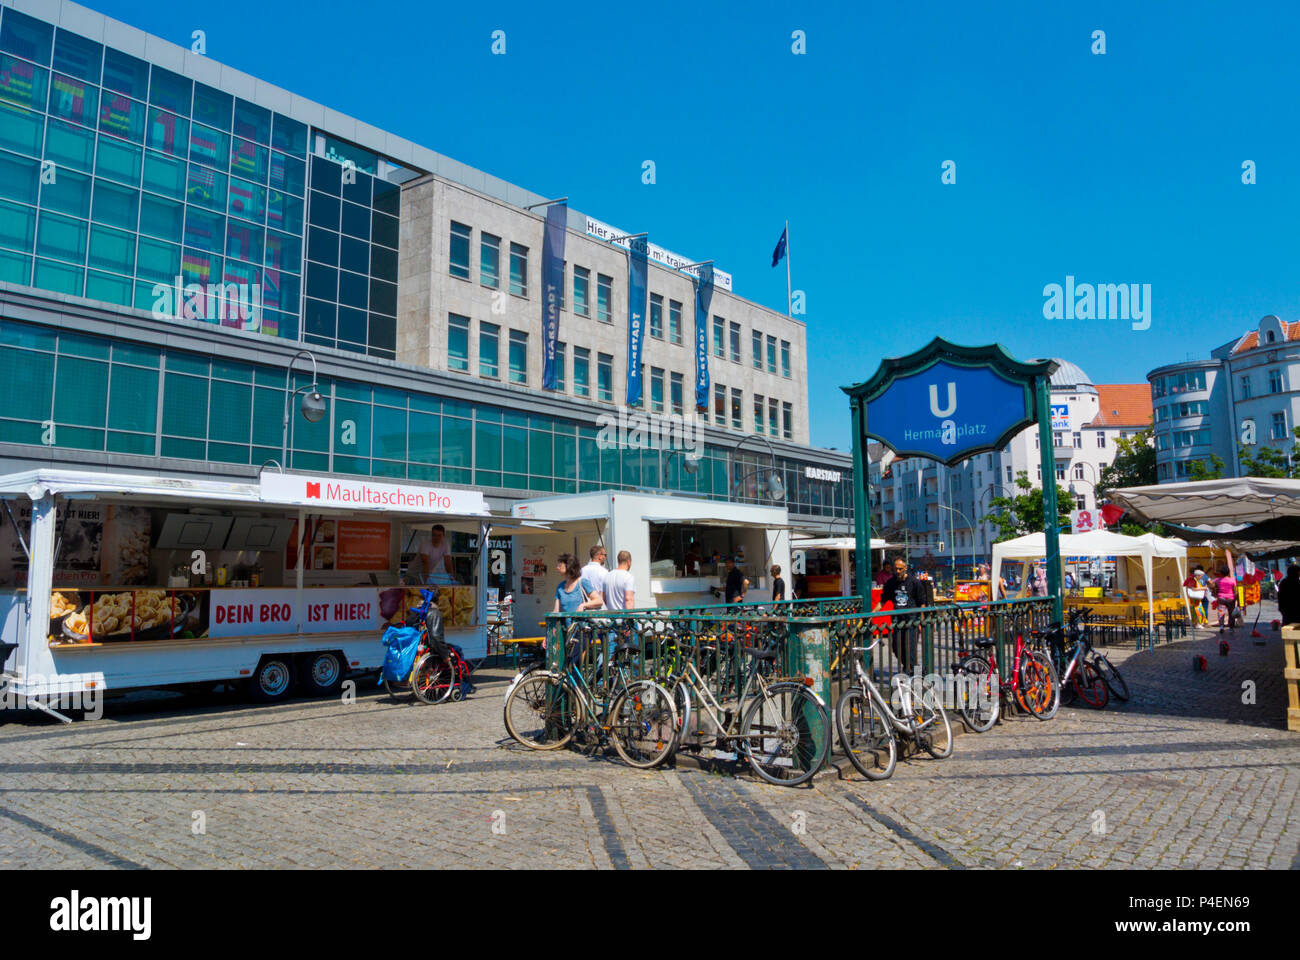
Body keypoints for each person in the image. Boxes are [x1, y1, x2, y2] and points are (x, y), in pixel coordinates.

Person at [874, 557, 927, 671]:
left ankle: (911, 672)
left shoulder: (914, 582)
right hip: (897, 621)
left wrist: (921, 621)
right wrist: (872, 613)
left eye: (900, 569)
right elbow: (883, 601)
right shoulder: (891, 582)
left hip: (912, 620)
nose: (897, 571)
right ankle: (911, 668)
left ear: (905, 568)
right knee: (896, 648)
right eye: (895, 569)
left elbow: (922, 603)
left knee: (910, 650)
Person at [1212, 565, 1237, 632]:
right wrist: (1235, 599)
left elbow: (1212, 586)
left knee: (1221, 613)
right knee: (1231, 613)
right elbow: (1235, 591)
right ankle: (1231, 628)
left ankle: (1221, 626)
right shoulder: (1232, 580)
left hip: (1221, 598)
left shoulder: (1217, 580)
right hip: (1230, 599)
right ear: (1228, 572)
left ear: (1221, 573)